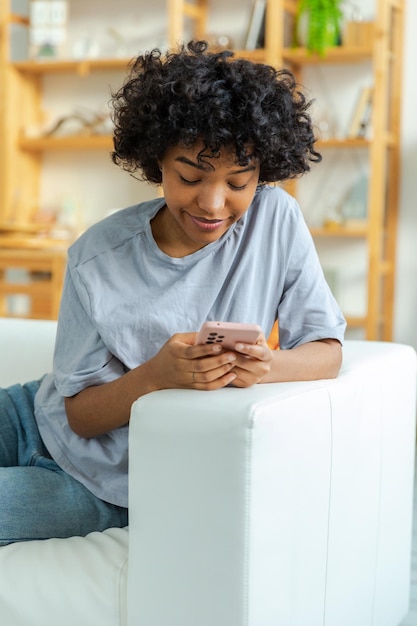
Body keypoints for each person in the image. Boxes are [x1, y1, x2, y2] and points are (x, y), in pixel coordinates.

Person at [0, 41, 346, 545]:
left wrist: (268, 366)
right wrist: (155, 375)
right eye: (189, 176)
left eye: (239, 182)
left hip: (109, 484)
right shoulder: (97, 255)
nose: (212, 203)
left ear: (262, 174)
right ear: (156, 159)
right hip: (30, 413)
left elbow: (327, 351)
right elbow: (79, 413)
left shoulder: (276, 221)